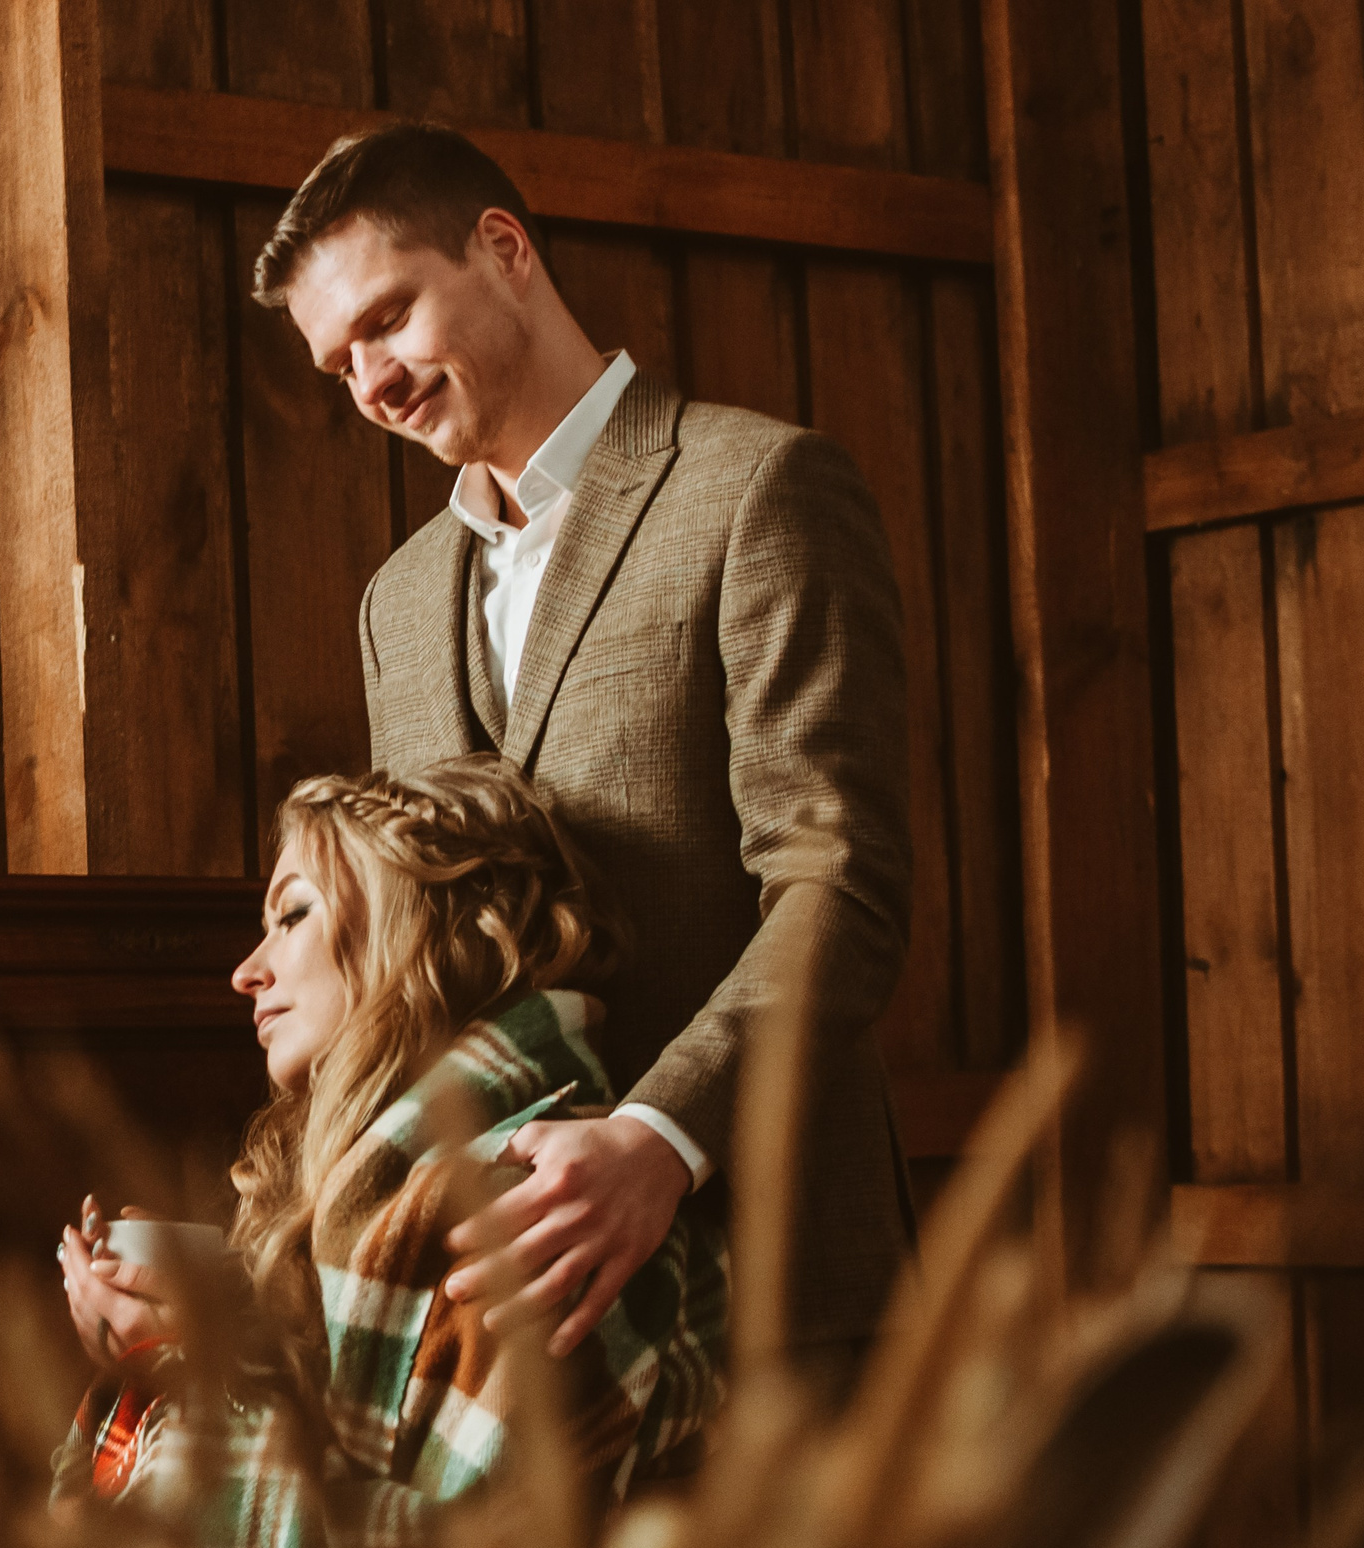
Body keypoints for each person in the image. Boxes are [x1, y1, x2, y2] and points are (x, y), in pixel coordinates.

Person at [249, 123, 914, 1379]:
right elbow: (422, 960)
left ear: (503, 250)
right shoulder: (397, 603)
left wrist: (660, 1136)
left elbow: (842, 880)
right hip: (507, 1329)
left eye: (387, 319)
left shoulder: (757, 487)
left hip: (771, 1281)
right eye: (339, 363)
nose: (371, 382)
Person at [54, 758, 726, 1548]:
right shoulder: (349, 1206)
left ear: (425, 934)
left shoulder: (533, 1205)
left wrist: (183, 1381)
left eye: (293, 914)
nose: (247, 972)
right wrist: (202, 1330)